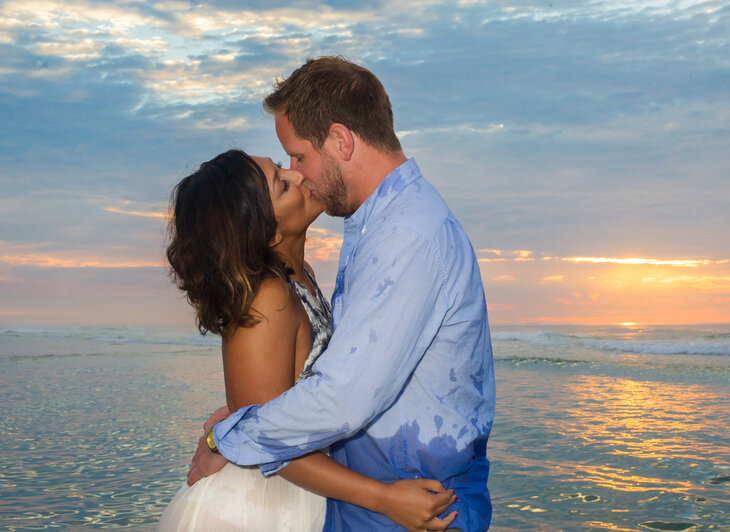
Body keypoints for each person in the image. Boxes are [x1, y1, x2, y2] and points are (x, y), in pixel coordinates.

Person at [191, 56, 496, 531]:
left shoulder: (405, 236)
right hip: (379, 500)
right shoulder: (373, 227)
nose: (298, 173)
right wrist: (248, 414)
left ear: (341, 141)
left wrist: (231, 435)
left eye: (299, 157)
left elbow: (343, 396)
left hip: (420, 503)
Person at [158, 149, 458, 531]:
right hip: (257, 507)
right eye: (282, 184)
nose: (298, 175)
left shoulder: (299, 277)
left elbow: (273, 399)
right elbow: (268, 440)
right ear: (268, 231)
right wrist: (384, 499)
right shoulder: (269, 299)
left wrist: (225, 428)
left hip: (293, 491)